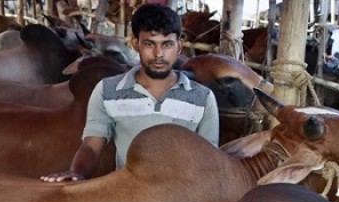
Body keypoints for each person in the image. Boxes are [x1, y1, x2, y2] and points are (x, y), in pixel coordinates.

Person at [41, 3, 219, 183]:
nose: (159, 54)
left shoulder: (202, 98)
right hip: (128, 199)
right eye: (150, 44)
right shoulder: (108, 91)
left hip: (182, 200)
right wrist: (77, 172)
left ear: (179, 46)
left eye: (167, 44)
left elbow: (209, 162)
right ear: (135, 44)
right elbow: (91, 147)